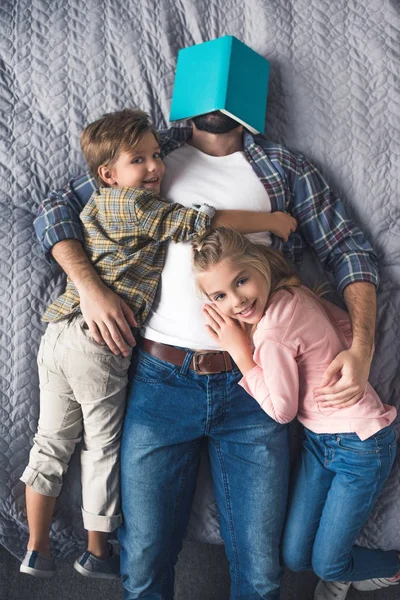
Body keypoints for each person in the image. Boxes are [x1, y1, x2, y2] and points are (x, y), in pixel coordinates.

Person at [34, 108, 379, 600]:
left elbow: (350, 249)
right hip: (160, 378)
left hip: (256, 384)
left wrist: (362, 346)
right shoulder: (150, 157)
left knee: (261, 573)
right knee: (145, 559)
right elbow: (53, 208)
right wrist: (88, 287)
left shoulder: (285, 167)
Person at [193, 227, 399, 600]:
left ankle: (387, 568)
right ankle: (344, 566)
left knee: (327, 565)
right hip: (320, 444)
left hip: (361, 446)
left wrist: (240, 351)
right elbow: (343, 326)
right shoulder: (292, 293)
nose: (237, 301)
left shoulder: (271, 333)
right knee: (294, 555)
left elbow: (281, 412)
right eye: (220, 296)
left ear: (260, 267)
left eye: (241, 281)